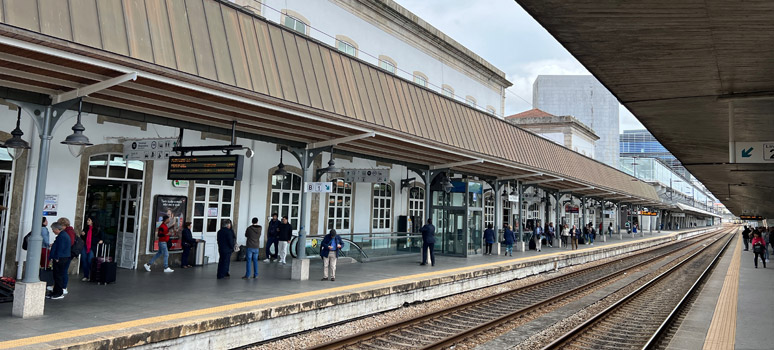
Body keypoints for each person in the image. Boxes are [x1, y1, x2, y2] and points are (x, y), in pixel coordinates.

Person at [47, 222, 70, 300]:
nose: (53, 231)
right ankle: (55, 292)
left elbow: (60, 248)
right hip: (61, 257)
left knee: (58, 276)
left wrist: (56, 257)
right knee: (57, 276)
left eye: (53, 229)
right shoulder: (63, 235)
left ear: (57, 229)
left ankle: (59, 293)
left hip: (60, 258)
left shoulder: (62, 236)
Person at [80, 217, 104, 281]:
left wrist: (98, 241)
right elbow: (83, 238)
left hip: (92, 247)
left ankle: (92, 275)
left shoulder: (97, 229)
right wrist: (82, 235)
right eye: (87, 220)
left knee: (90, 261)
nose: (87, 221)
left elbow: (101, 239)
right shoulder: (86, 228)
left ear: (92, 221)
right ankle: (86, 275)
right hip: (85, 246)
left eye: (89, 220)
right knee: (84, 260)